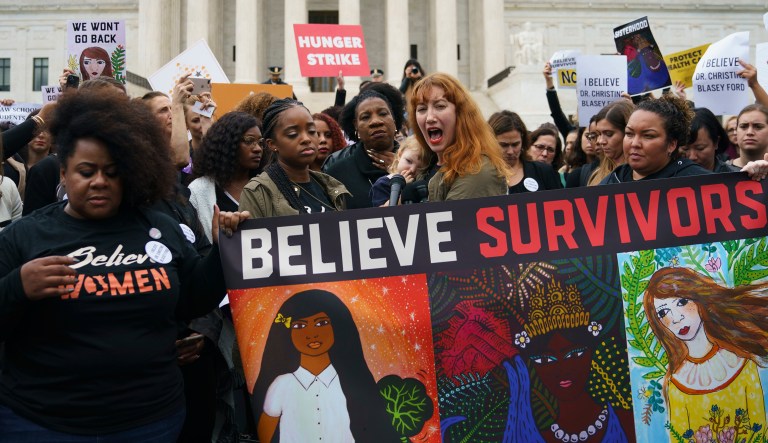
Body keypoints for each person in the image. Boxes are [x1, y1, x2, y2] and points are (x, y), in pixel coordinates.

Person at [0, 87, 249, 441]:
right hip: (42, 422)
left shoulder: (159, 226)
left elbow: (193, 298)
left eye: (113, 172)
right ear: (63, 173)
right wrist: (18, 287)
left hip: (150, 421)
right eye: (86, 171)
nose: (100, 181)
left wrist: (223, 253)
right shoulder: (24, 237)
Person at [253, 289, 400, 443]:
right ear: (287, 333)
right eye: (299, 326)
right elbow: (265, 432)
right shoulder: (282, 385)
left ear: (337, 327)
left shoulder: (352, 382)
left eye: (321, 323)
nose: (311, 334)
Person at [643, 267, 768, 440]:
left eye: (682, 302)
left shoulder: (742, 361)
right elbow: (680, 438)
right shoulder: (676, 383)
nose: (677, 318)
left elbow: (760, 429)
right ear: (659, 324)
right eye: (663, 313)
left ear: (699, 299)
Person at [505, 277, 633, 442]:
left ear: (591, 352)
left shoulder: (628, 422)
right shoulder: (532, 435)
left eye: (574, 354)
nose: (562, 370)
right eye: (545, 360)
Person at [239, 99, 349, 217]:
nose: (306, 139)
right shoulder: (258, 192)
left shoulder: (330, 185)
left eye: (312, 131)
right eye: (293, 134)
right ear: (272, 144)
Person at [409, 72, 510, 201]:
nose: (429, 118)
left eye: (440, 106)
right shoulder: (423, 165)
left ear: (461, 114)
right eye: (422, 109)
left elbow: (447, 220)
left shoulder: (477, 169)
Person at [324, 84, 404, 209]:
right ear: (356, 126)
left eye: (383, 113)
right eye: (366, 117)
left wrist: (400, 171)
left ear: (394, 120)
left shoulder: (420, 165)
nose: (376, 121)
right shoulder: (335, 174)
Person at [189, 111, 263, 243]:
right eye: (249, 141)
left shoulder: (267, 185)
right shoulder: (199, 190)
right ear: (227, 143)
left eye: (260, 142)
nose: (258, 148)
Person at [601, 95, 710, 184]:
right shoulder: (611, 182)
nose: (634, 143)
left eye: (648, 136)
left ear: (671, 144)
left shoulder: (700, 183)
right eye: (629, 133)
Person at [487, 110, 561, 194]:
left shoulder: (543, 172)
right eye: (504, 145)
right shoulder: (479, 176)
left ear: (523, 141)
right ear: (490, 142)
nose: (510, 151)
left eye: (515, 144)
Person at [369, 136, 431, 206]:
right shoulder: (383, 183)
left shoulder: (423, 184)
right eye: (409, 161)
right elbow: (381, 212)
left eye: (420, 167)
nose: (412, 170)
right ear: (399, 155)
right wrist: (404, 189)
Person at [587, 100, 634, 185]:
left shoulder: (641, 174)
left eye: (609, 134)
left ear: (628, 133)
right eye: (599, 134)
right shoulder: (597, 175)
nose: (600, 141)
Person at [682, 108, 739, 173]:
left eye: (700, 148)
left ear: (716, 142)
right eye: (685, 149)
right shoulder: (670, 178)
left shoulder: (733, 177)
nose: (692, 157)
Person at [732, 104, 768, 169]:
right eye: (743, 126)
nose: (749, 132)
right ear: (735, 131)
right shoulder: (719, 171)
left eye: (758, 127)